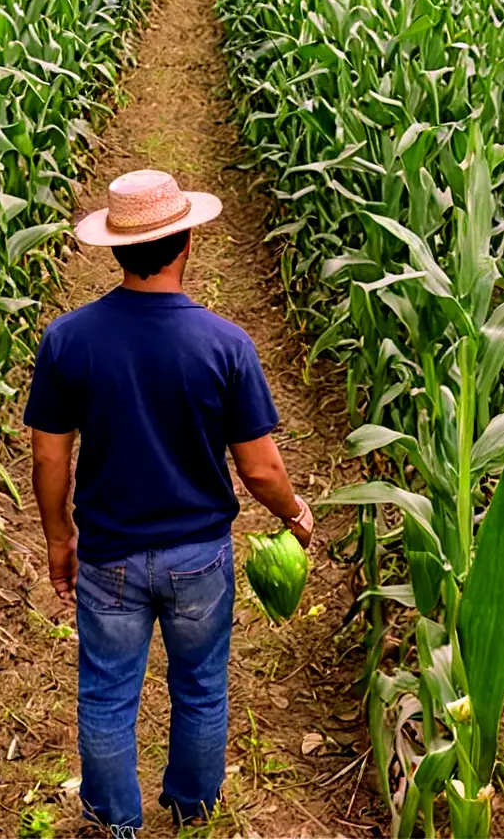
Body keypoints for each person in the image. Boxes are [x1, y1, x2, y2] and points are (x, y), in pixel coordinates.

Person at [24, 169, 313, 836]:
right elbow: (261, 468)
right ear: (186, 243)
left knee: (105, 693)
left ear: (116, 249)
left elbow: (48, 455)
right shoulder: (224, 344)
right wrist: (294, 516)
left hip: (109, 554)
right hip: (197, 556)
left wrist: (58, 539)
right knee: (202, 689)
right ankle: (191, 811)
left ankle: (116, 823)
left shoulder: (69, 340)